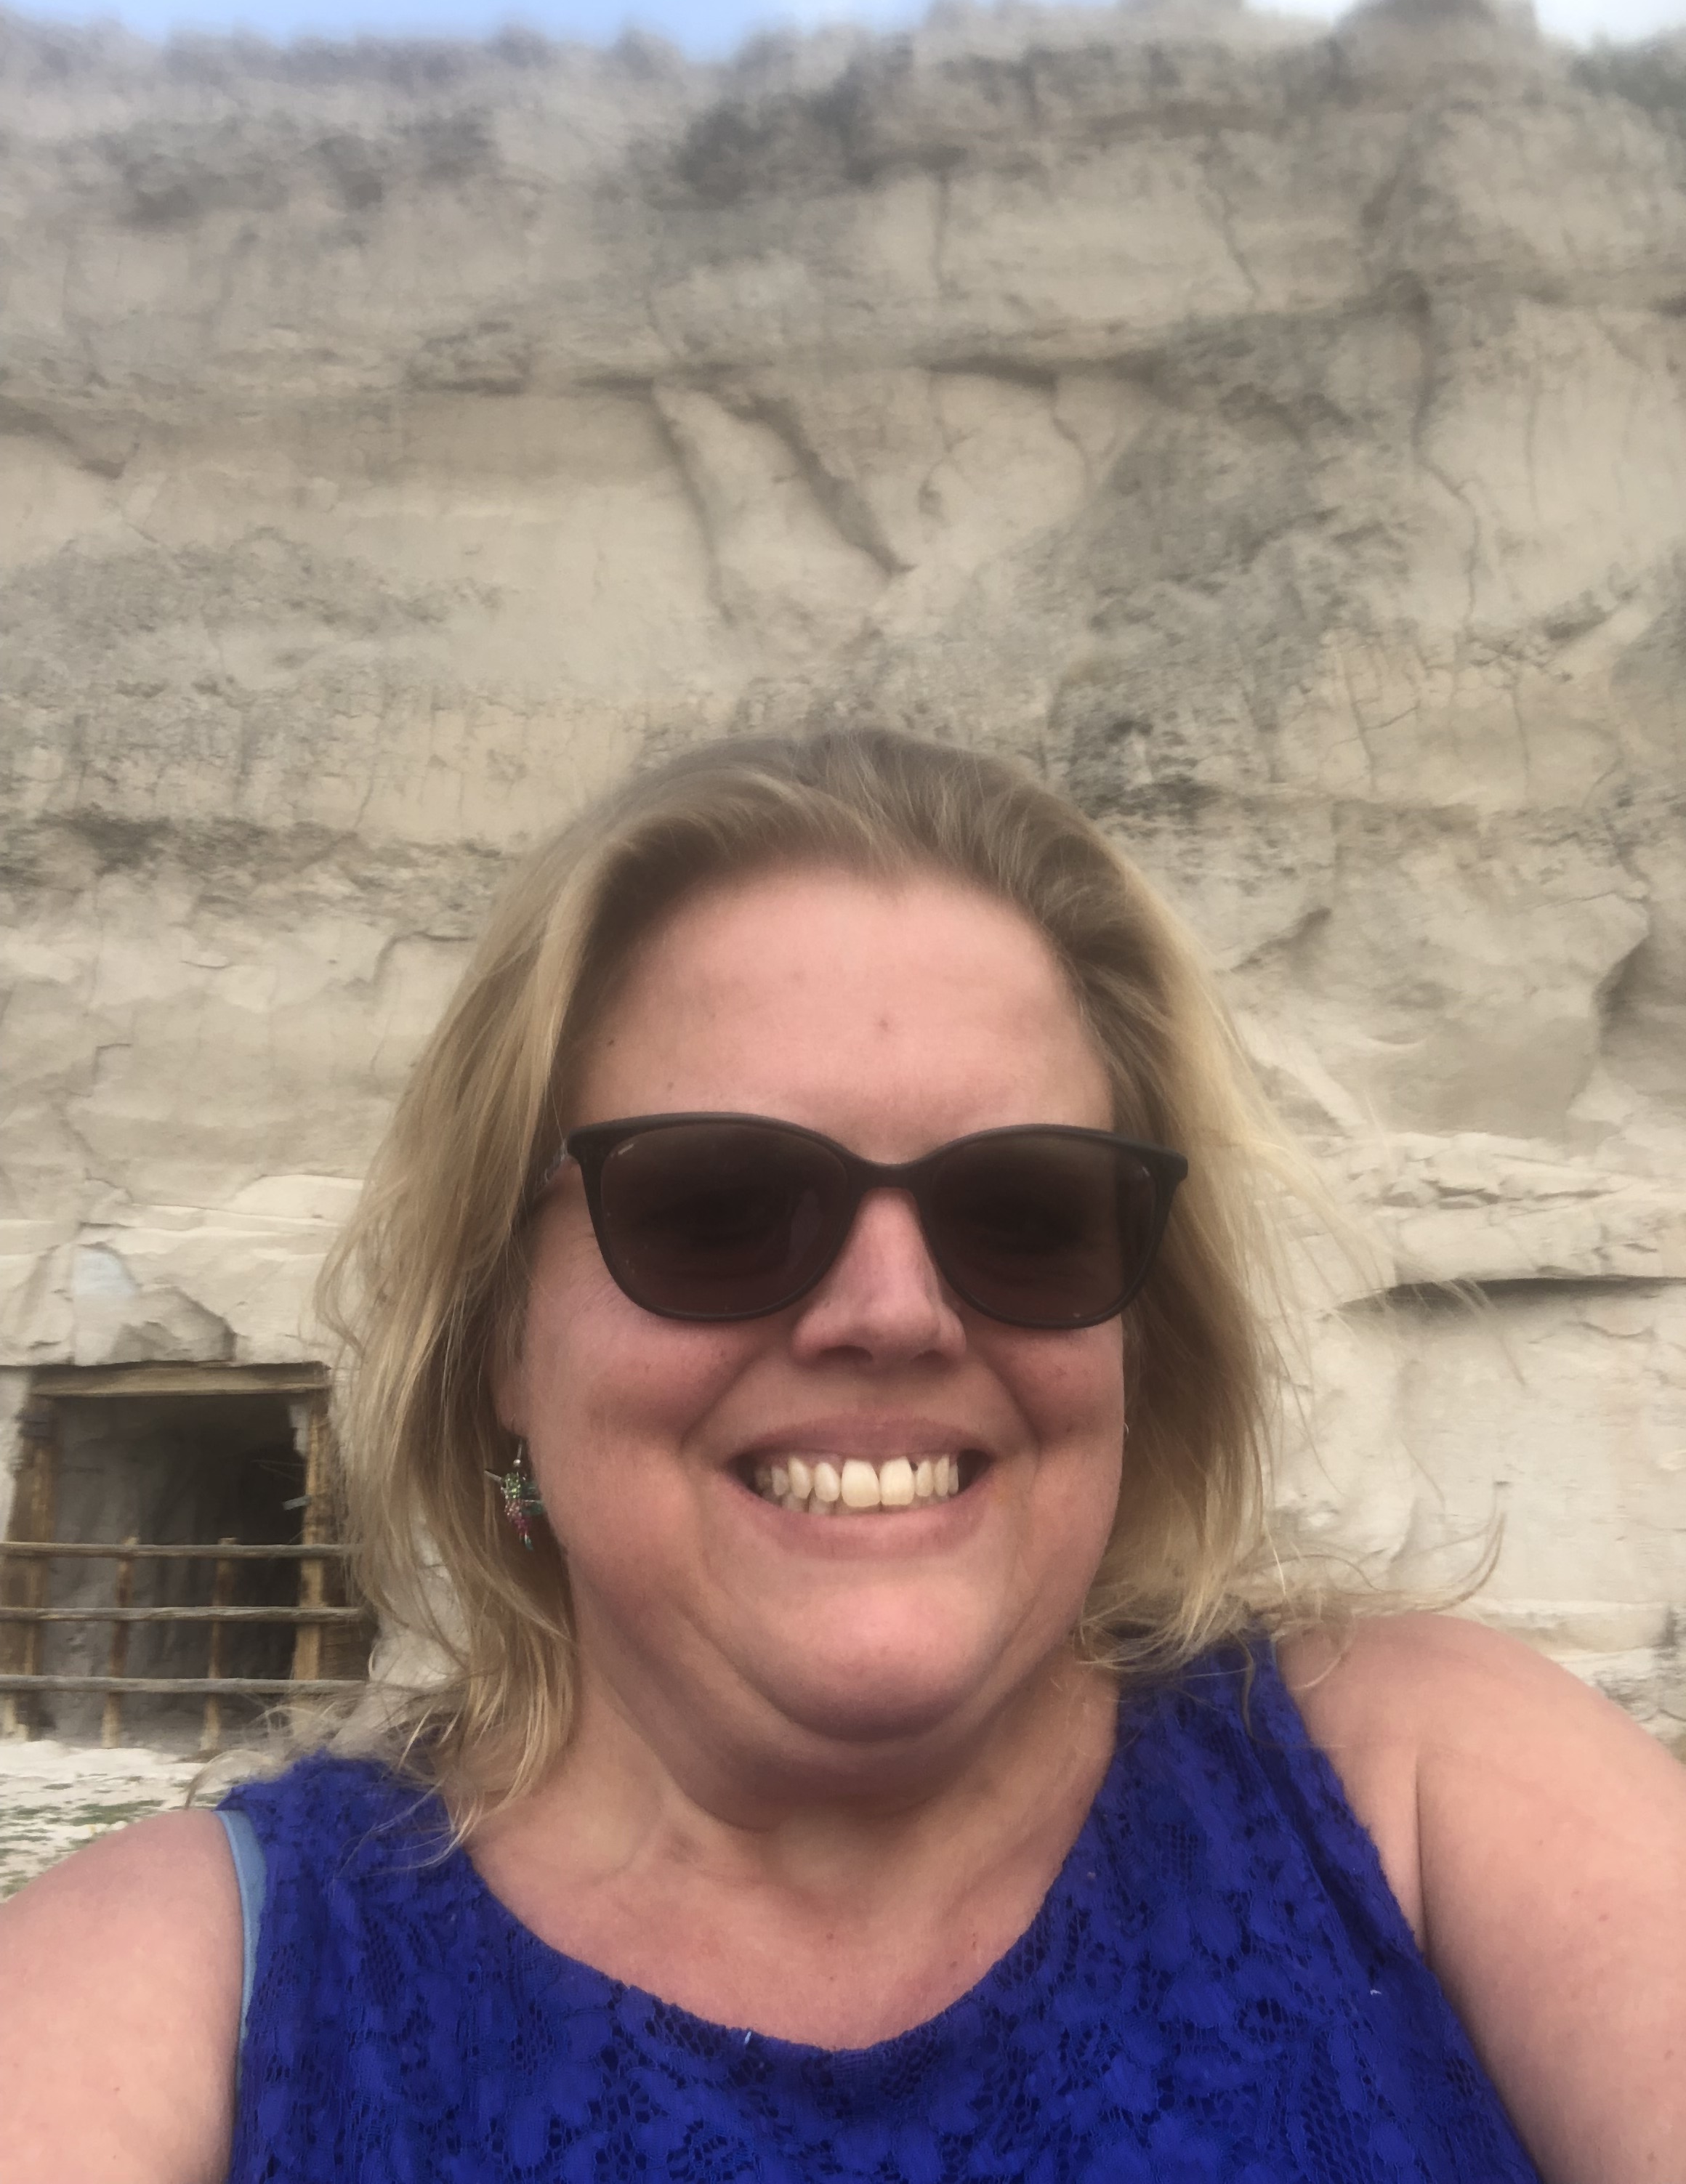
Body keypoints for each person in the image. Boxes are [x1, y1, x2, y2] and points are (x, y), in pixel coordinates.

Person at [2, 728, 1682, 2184]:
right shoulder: (162, 1992)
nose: (892, 1309)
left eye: (1025, 1210)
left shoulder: (1432, 1793)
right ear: (505, 1331)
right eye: (718, 1205)